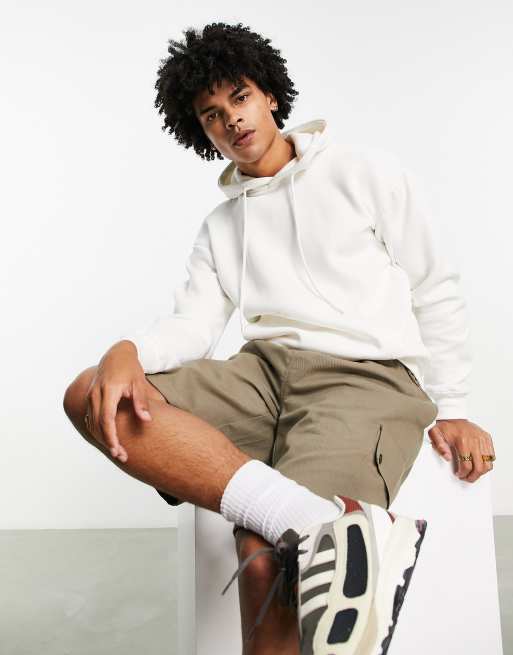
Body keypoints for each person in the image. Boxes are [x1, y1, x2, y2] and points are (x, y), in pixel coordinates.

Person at [62, 21, 495, 655]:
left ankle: (296, 527)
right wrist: (126, 351)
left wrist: (452, 405)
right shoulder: (221, 226)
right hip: (261, 377)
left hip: (363, 380)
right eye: (212, 115)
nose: (231, 120)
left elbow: (435, 285)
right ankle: (312, 520)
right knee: (90, 394)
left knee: (265, 560)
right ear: (201, 133)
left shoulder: (362, 172)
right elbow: (194, 326)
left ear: (268, 93)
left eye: (239, 97)